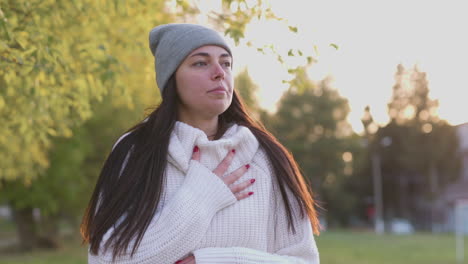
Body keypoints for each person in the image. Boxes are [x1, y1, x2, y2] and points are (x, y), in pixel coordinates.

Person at [81, 23, 320, 264]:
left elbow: (304, 261)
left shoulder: (266, 156)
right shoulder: (136, 151)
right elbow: (106, 260)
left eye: (226, 63)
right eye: (200, 63)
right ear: (171, 78)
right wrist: (201, 196)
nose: (219, 72)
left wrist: (212, 260)